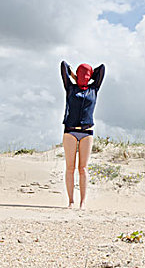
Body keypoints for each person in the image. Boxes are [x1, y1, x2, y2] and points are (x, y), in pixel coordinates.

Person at [60, 60, 105, 209]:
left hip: (87, 132)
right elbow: (64, 65)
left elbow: (102, 69)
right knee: (70, 167)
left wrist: (90, 76)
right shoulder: (70, 88)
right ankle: (71, 201)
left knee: (83, 168)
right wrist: (74, 76)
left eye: (87, 74)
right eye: (82, 73)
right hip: (70, 131)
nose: (84, 76)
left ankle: (83, 202)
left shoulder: (94, 89)